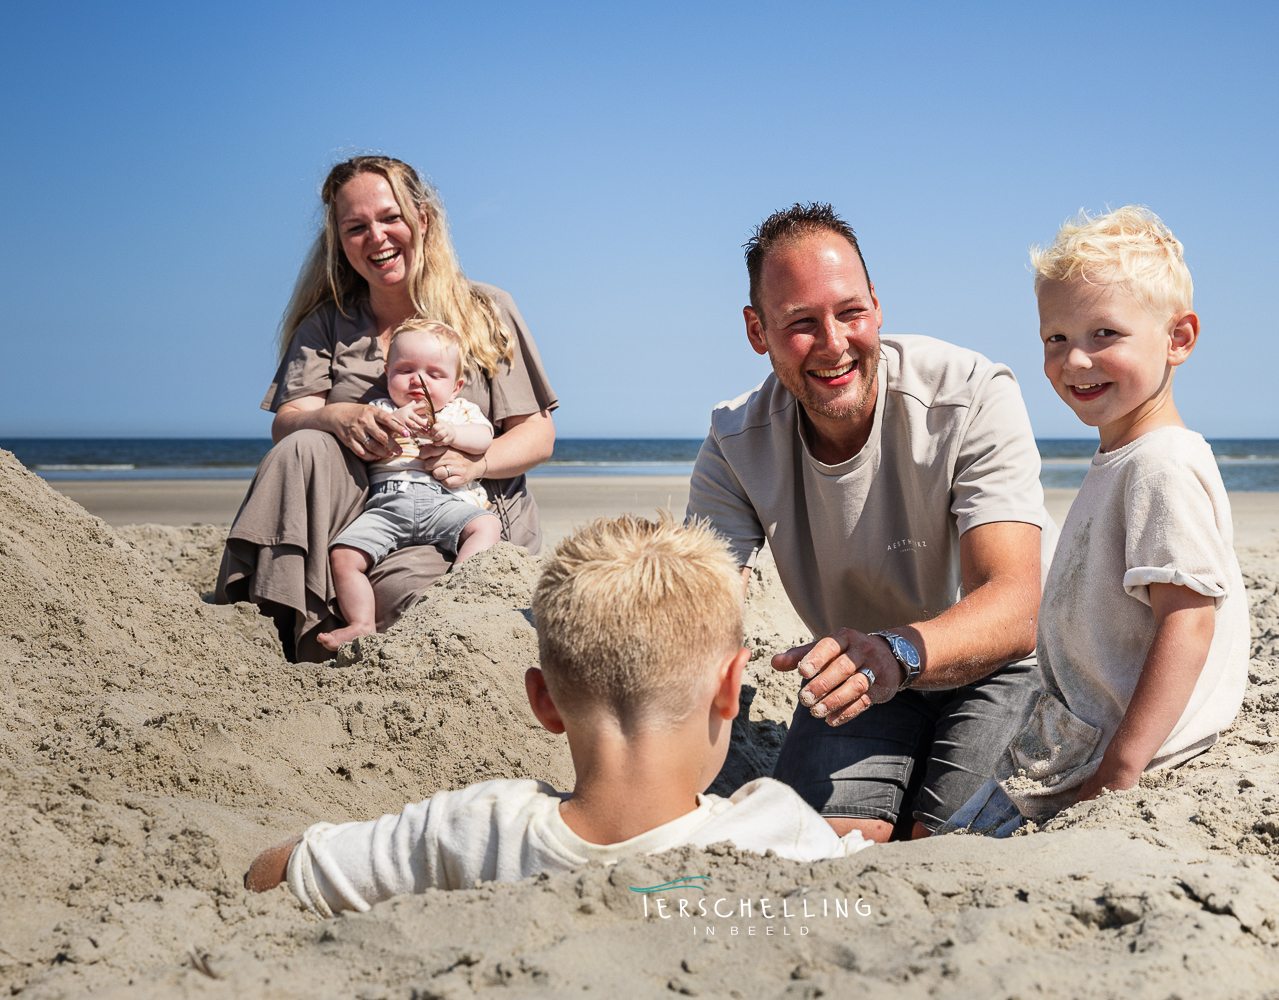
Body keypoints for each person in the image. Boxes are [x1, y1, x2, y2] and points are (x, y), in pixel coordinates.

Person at [244, 513, 871, 915]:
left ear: (544, 700)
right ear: (731, 685)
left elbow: (279, 870)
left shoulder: (473, 827)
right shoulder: (775, 830)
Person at [685, 203, 1057, 844]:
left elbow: (1018, 605)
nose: (834, 344)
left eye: (850, 312)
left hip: (999, 664)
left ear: (877, 306)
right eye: (800, 323)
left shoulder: (970, 393)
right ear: (757, 331)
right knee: (827, 847)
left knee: (945, 841)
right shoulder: (735, 440)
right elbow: (698, 600)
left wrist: (898, 654)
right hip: (858, 669)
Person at [943, 207, 1250, 837]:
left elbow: (1188, 621)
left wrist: (1121, 769)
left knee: (950, 851)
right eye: (1055, 338)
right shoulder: (1124, 456)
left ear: (1178, 339)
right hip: (1078, 739)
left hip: (1109, 758)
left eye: (1105, 334)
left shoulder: (1161, 464)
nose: (1075, 360)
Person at [215, 155, 557, 661]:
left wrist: (475, 463)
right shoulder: (326, 325)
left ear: (423, 219)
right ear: (339, 240)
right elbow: (288, 423)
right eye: (356, 227)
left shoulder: (486, 309)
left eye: (390, 218)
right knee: (302, 445)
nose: (376, 237)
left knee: (415, 606)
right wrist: (334, 416)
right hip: (366, 515)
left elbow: (537, 434)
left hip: (461, 517)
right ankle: (255, 635)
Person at [318, 319, 506, 651]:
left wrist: (452, 434)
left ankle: (457, 591)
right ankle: (361, 623)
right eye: (406, 370)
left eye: (435, 374)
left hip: (445, 501)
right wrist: (393, 424)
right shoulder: (380, 409)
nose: (419, 381)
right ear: (387, 372)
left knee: (487, 525)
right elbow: (362, 438)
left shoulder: (461, 411)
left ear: (456, 386)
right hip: (389, 504)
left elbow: (484, 438)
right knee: (344, 554)